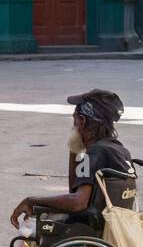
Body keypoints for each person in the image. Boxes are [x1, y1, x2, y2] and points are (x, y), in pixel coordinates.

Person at [9, 90, 134, 229]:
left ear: (82, 122)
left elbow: (77, 202)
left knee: (37, 227)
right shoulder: (119, 150)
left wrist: (31, 201)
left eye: (75, 119)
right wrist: (74, 150)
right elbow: (75, 193)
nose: (73, 125)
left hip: (91, 227)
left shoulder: (95, 153)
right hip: (115, 226)